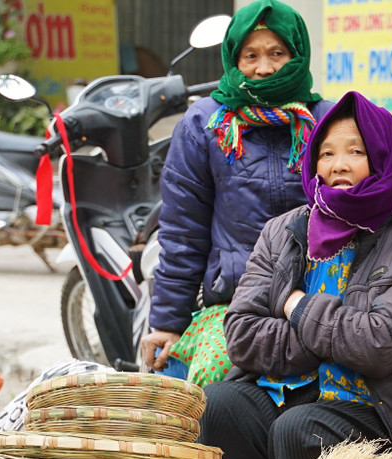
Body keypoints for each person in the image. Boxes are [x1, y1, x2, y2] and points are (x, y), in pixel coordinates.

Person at [198, 91, 392, 459]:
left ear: (383, 159)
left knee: (298, 430)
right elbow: (242, 334)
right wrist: (334, 336)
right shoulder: (282, 231)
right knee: (218, 404)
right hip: (282, 392)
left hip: (371, 410)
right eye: (327, 153)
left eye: (356, 151)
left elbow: (380, 343)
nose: (339, 165)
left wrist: (295, 305)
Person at [140, 0, 333, 385]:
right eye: (251, 55)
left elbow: (375, 209)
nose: (264, 67)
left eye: (277, 53)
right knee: (213, 388)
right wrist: (166, 322)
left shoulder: (328, 120)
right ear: (234, 58)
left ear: (298, 55)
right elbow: (182, 233)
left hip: (320, 299)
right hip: (235, 303)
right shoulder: (204, 124)